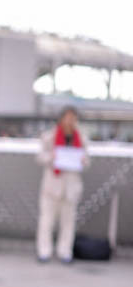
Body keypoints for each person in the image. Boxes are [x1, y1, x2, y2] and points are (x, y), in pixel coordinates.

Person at [36, 106, 89, 263]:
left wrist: (83, 161)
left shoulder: (81, 138)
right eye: (67, 117)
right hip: (52, 186)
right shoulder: (49, 137)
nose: (70, 121)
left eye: (73, 118)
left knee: (68, 222)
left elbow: (87, 161)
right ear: (61, 119)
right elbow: (40, 157)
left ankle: (65, 251)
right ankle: (44, 251)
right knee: (46, 220)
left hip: (71, 187)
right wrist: (52, 157)